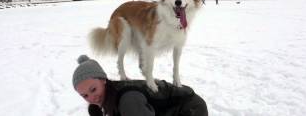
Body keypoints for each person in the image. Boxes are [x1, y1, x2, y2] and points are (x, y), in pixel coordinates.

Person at [72, 55, 208, 116]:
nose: (92, 98)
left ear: (103, 80)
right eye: (85, 95)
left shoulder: (128, 101)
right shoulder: (109, 96)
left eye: (93, 89)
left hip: (190, 108)